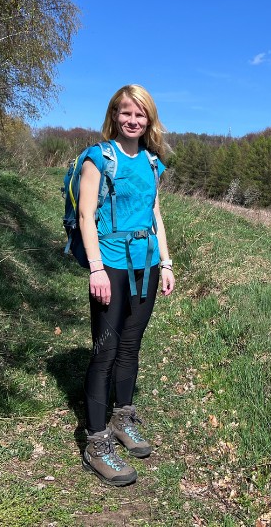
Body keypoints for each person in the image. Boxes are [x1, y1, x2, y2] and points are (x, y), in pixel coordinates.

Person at [77, 84, 175, 486]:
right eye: (126, 113)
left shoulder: (153, 163)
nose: (133, 120)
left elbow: (155, 215)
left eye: (140, 115)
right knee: (106, 350)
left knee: (131, 345)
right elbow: (86, 217)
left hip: (147, 263)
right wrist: (96, 268)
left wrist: (166, 262)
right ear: (114, 115)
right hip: (112, 264)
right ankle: (96, 442)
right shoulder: (99, 158)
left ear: (148, 120)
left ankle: (122, 419)